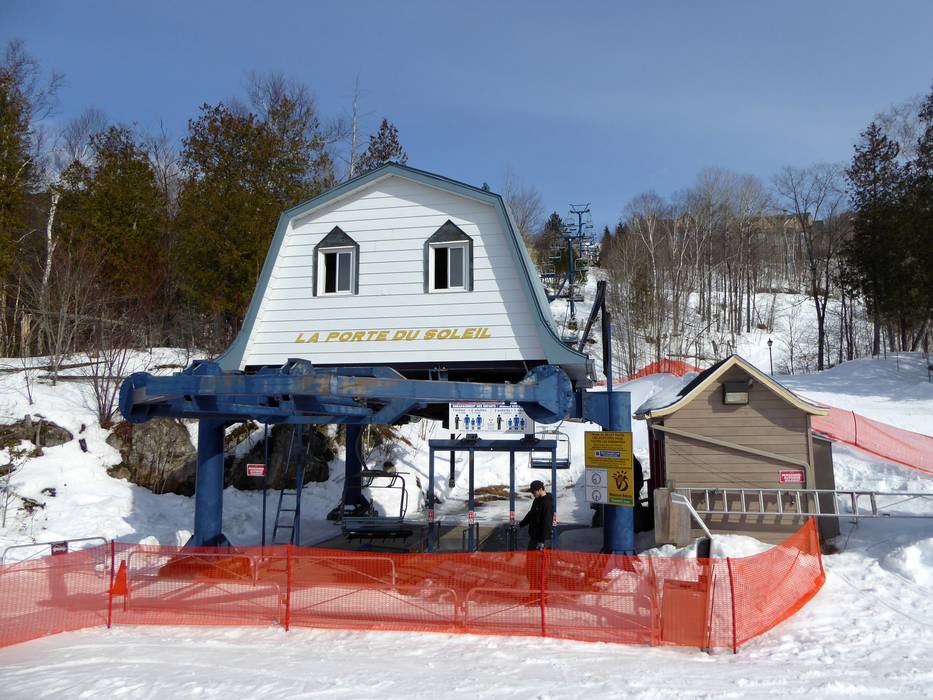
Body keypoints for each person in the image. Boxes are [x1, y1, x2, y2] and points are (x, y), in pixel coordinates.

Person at [519, 480, 553, 550]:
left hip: (543, 540)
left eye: (534, 492)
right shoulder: (536, 500)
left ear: (540, 489)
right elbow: (531, 514)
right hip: (534, 538)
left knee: (540, 557)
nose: (533, 494)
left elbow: (547, 522)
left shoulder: (547, 503)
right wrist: (521, 524)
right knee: (530, 556)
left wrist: (542, 541)